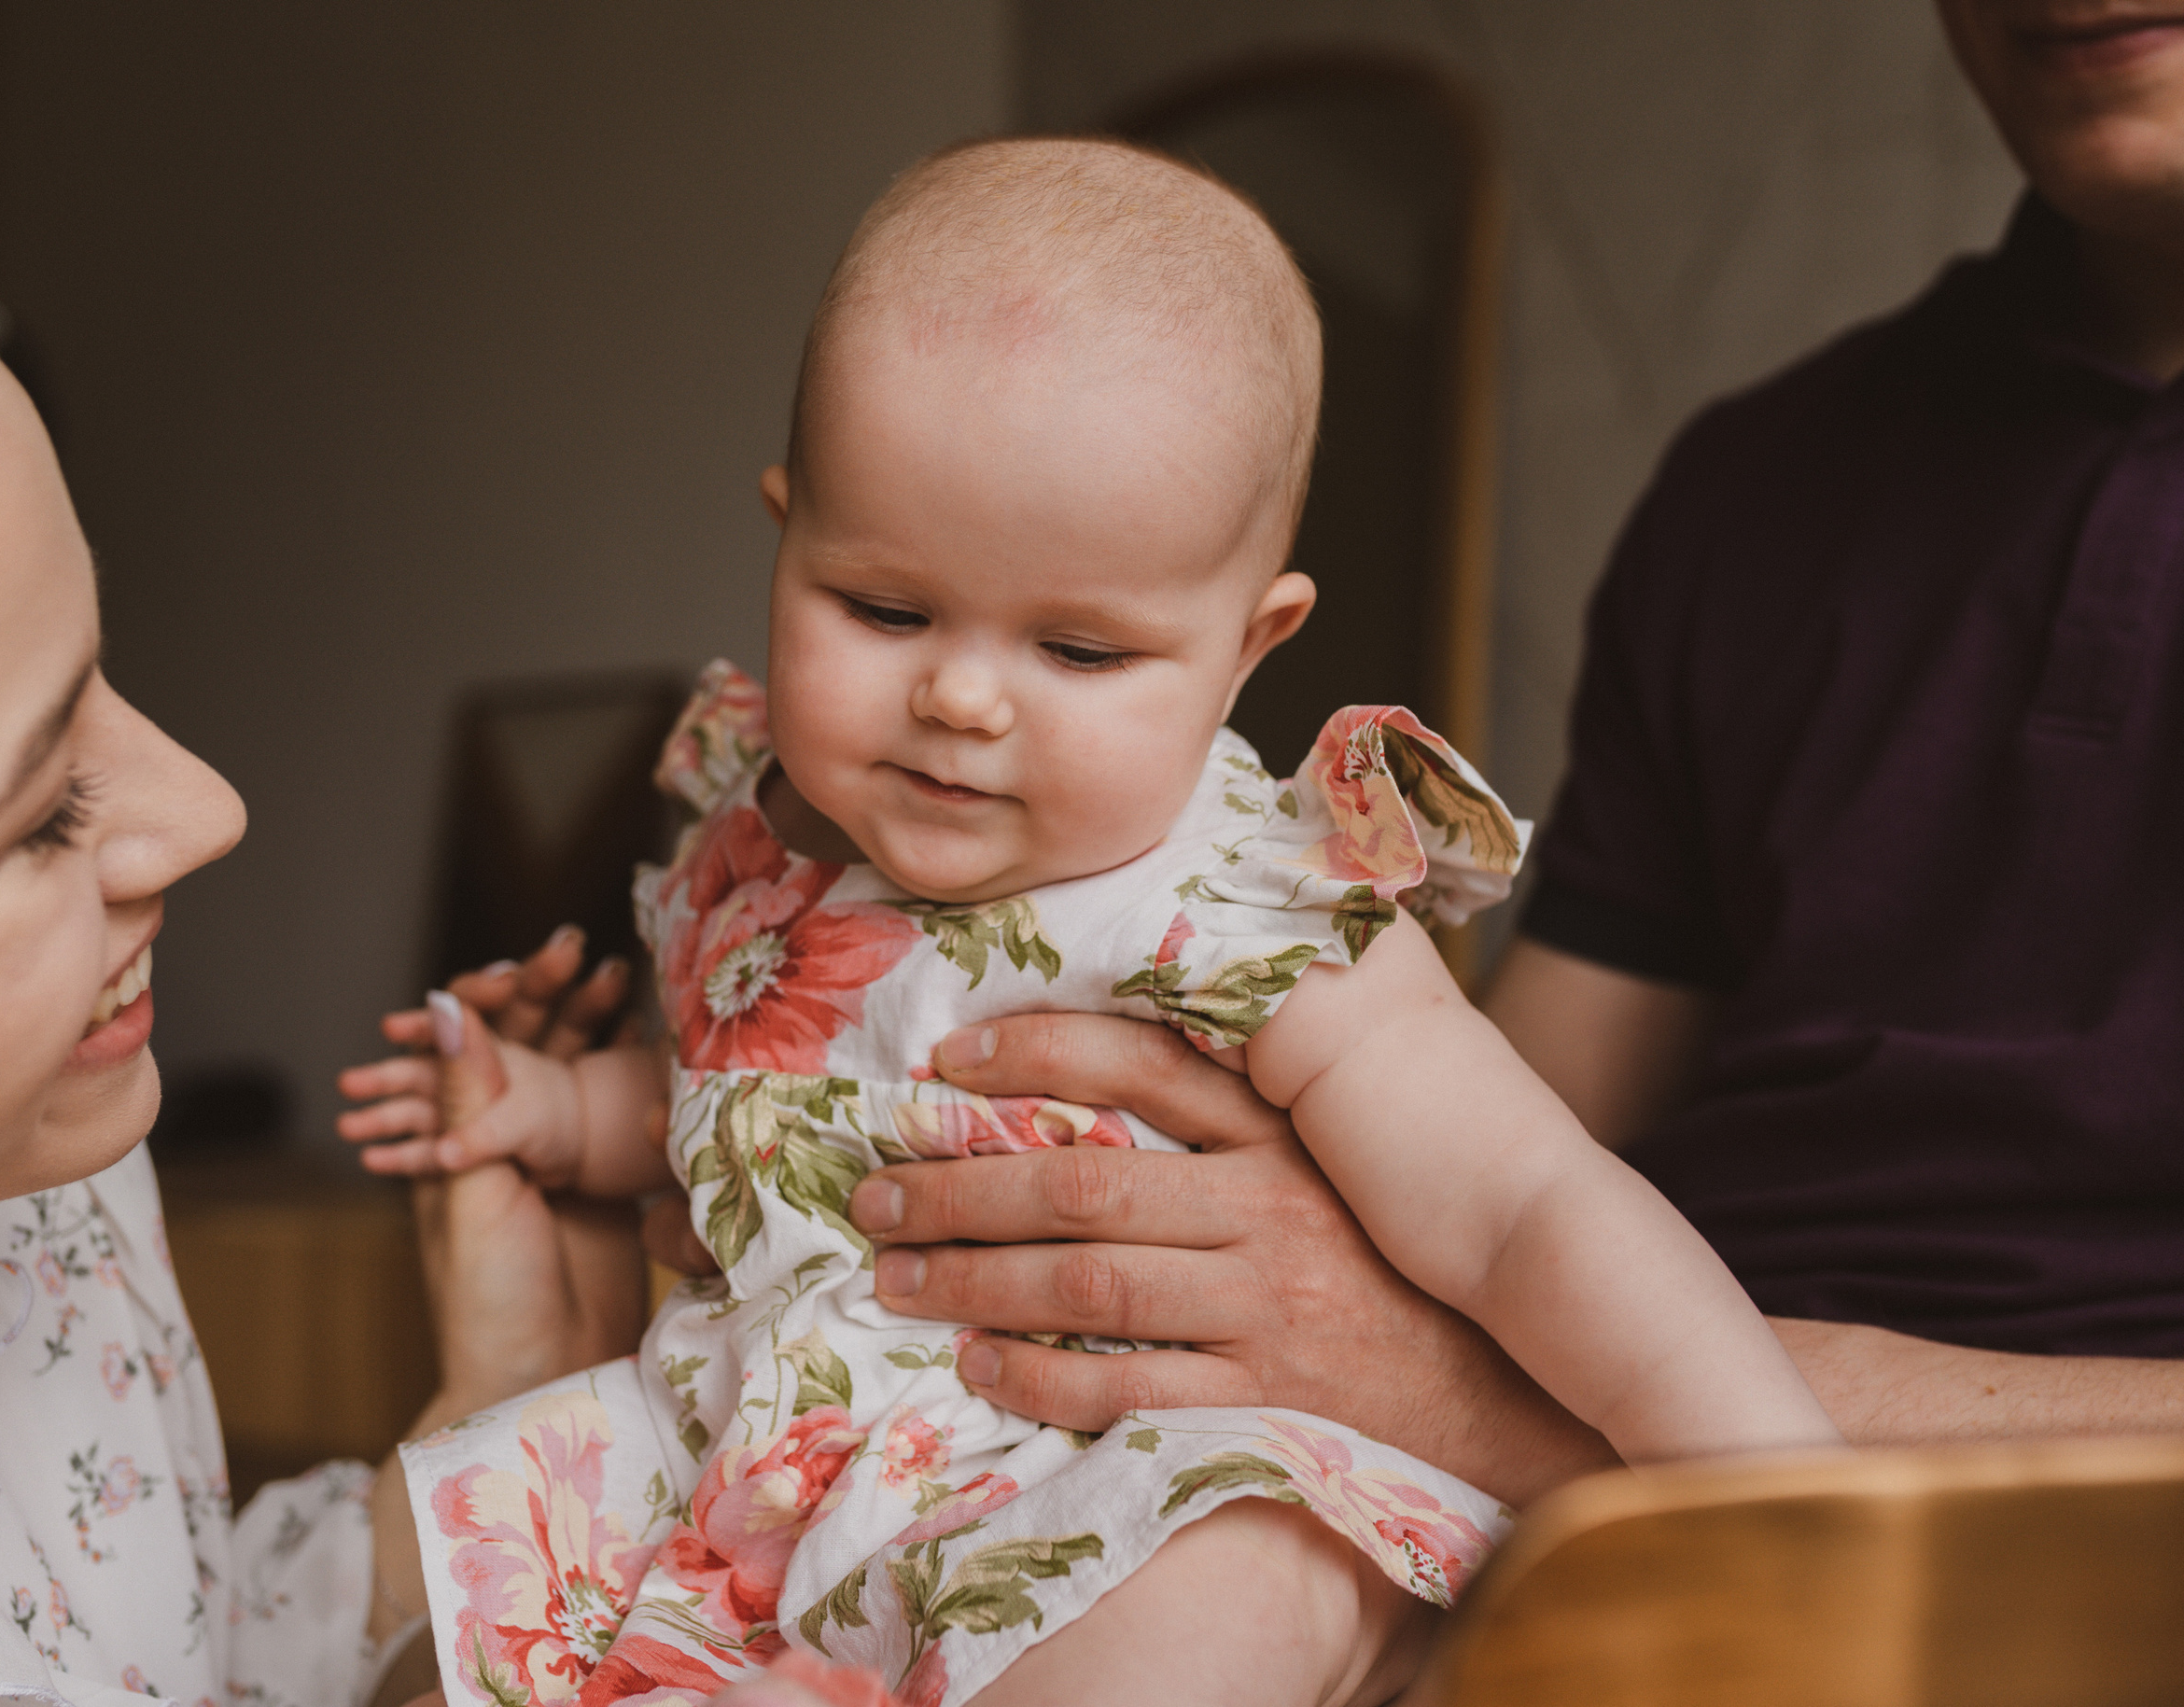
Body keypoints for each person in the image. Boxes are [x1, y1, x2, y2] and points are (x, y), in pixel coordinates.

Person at [343, 138, 1835, 1707]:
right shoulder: (767, 845)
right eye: (885, 608)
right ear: (785, 537)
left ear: (1247, 647)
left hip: (1106, 1492)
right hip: (772, 1500)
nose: (963, 698)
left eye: (1078, 648)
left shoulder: (1245, 904)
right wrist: (559, 1110)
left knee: (1223, 1605)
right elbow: (756, 1117)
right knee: (441, 1659)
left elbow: (1524, 1204)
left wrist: (1763, 1480)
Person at [0, 183, 638, 1707]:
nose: (208, 807)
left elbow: (168, 1649)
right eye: (44, 808)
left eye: (100, 669)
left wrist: (513, 1394)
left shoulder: (27, 1173)